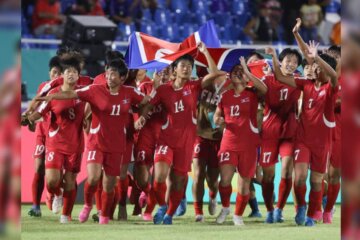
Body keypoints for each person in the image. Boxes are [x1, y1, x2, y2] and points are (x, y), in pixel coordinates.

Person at [37, 59, 149, 224]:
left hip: (117, 145)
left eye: (114, 74)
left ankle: (104, 215)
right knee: (93, 178)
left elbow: (146, 101)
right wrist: (51, 96)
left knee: (109, 185)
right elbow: (72, 93)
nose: (109, 77)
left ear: (123, 78)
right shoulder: (96, 90)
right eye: (108, 73)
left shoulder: (130, 92)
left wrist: (141, 117)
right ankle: (88, 205)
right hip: (96, 142)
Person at [134, 43, 217, 225]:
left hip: (186, 143)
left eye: (189, 66)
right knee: (159, 177)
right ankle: (162, 206)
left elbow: (216, 74)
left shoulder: (195, 86)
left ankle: (169, 215)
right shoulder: (163, 90)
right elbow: (149, 104)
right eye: (183, 66)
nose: (187, 69)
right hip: (166, 140)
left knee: (179, 181)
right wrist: (141, 118)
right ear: (175, 69)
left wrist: (205, 52)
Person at [270, 39, 338, 226]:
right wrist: (274, 57)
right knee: (299, 178)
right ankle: (301, 206)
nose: (315, 70)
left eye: (319, 67)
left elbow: (333, 75)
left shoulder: (331, 88)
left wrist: (317, 57)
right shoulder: (305, 84)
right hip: (302, 140)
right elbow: (279, 75)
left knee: (316, 182)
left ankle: (312, 213)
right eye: (314, 67)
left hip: (322, 144)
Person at [26, 56, 87, 223]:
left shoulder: (84, 93)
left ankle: (65, 215)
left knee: (70, 180)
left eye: (75, 72)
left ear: (78, 76)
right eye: (68, 72)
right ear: (63, 75)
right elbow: (41, 111)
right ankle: (56, 193)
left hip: (75, 145)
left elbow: (98, 103)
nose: (71, 75)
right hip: (55, 143)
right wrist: (29, 118)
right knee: (52, 181)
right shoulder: (53, 93)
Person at [213, 57, 267, 226]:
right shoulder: (224, 96)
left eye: (240, 71)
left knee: (245, 184)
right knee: (225, 180)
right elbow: (217, 115)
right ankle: (226, 207)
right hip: (229, 142)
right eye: (234, 71)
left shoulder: (252, 95)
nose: (237, 73)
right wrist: (218, 120)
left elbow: (264, 88)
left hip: (249, 145)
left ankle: (238, 215)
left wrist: (246, 69)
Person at [256, 47, 303, 224]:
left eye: (294, 62)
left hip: (290, 133)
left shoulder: (299, 80)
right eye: (288, 60)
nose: (291, 64)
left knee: (286, 171)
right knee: (268, 176)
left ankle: (279, 209)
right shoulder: (267, 79)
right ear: (280, 62)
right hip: (269, 133)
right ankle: (269, 209)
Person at [191, 44, 226, 223]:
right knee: (198, 175)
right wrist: (203, 52)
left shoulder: (226, 85)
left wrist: (206, 52)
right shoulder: (200, 85)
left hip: (218, 139)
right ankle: (198, 211)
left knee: (213, 179)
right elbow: (212, 77)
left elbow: (218, 76)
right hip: (200, 135)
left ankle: (213, 195)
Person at [27, 56, 62, 217]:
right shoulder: (43, 87)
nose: (56, 76)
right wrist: (30, 121)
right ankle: (36, 206)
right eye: (54, 72)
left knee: (61, 173)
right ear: (49, 73)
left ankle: (55, 193)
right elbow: (37, 109)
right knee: (39, 168)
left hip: (59, 136)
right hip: (43, 132)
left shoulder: (66, 91)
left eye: (59, 73)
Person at [323, 45, 341, 224]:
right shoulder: (319, 77)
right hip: (319, 132)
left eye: (336, 56)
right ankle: (323, 201)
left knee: (334, 174)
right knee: (320, 175)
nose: (334, 58)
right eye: (330, 55)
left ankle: (328, 209)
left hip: (341, 134)